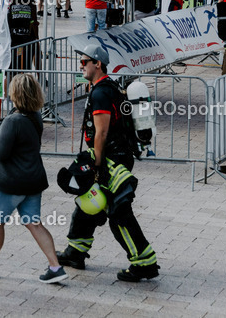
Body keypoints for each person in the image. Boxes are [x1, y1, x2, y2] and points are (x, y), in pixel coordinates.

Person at [56, 42, 160, 282]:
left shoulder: (101, 93)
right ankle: (75, 251)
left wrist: (97, 166)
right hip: (118, 156)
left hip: (111, 159)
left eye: (84, 62)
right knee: (87, 203)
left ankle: (144, 262)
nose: (81, 66)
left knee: (119, 213)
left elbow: (101, 132)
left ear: (98, 64)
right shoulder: (110, 87)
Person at [0, 74, 66, 283]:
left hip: (11, 183)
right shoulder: (35, 116)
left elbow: (1, 154)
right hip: (33, 179)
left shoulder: (13, 121)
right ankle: (55, 266)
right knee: (34, 223)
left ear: (16, 94)